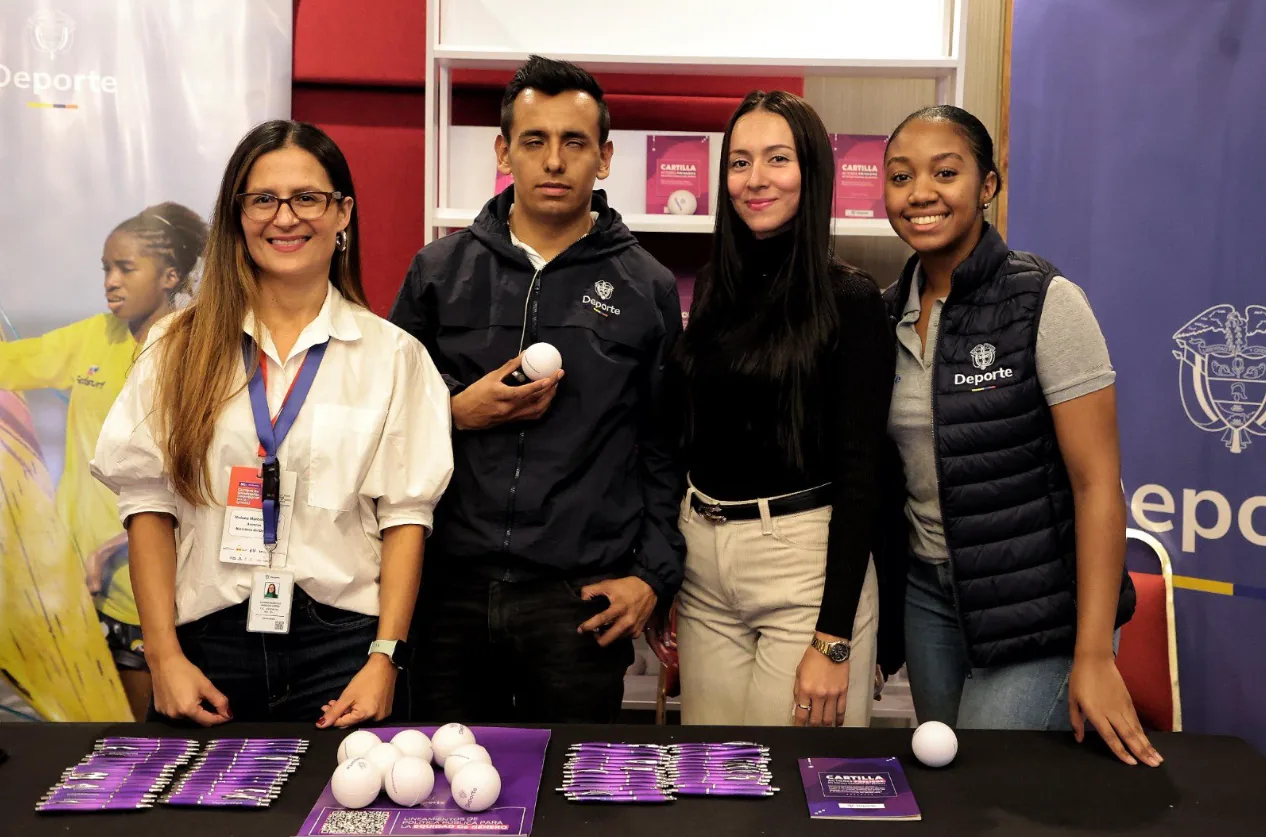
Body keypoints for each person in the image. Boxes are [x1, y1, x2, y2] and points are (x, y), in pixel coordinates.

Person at [91, 120, 453, 727]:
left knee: (339, 818)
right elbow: (148, 502)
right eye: (263, 199)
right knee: (199, 821)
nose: (285, 218)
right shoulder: (176, 346)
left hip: (344, 650)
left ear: (343, 214)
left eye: (307, 198)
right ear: (236, 216)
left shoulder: (394, 356)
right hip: (205, 646)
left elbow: (405, 518)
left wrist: (384, 659)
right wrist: (163, 656)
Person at [389, 55, 685, 723]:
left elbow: (666, 446)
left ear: (604, 158)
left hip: (577, 601)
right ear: (504, 151)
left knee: (574, 803)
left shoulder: (647, 286)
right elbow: (380, 416)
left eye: (574, 142)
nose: (555, 160)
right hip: (447, 592)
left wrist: (652, 575)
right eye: (534, 140)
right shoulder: (439, 271)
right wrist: (454, 412)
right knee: (443, 797)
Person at [877, 105, 1162, 767]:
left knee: (992, 784)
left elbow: (1097, 486)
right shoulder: (885, 310)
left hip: (1040, 608)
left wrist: (1093, 653)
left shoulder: (1045, 301)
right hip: (930, 599)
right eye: (900, 175)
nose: (920, 192)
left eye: (944, 172)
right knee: (948, 784)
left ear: (987, 186)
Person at [665, 91, 893, 728]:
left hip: (803, 568)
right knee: (713, 784)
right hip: (704, 563)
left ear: (813, 172)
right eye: (739, 162)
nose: (754, 179)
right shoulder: (714, 287)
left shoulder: (849, 298)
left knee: (788, 796)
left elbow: (861, 475)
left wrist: (833, 637)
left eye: (776, 158)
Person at [0, 202, 208, 720]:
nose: (111, 282)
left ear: (170, 276)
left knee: (151, 747)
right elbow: (9, 365)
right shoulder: (93, 336)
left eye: (125, 268)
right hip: (81, 597)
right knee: (95, 745)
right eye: (105, 269)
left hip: (156, 600)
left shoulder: (198, 351)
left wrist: (116, 545)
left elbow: (199, 481)